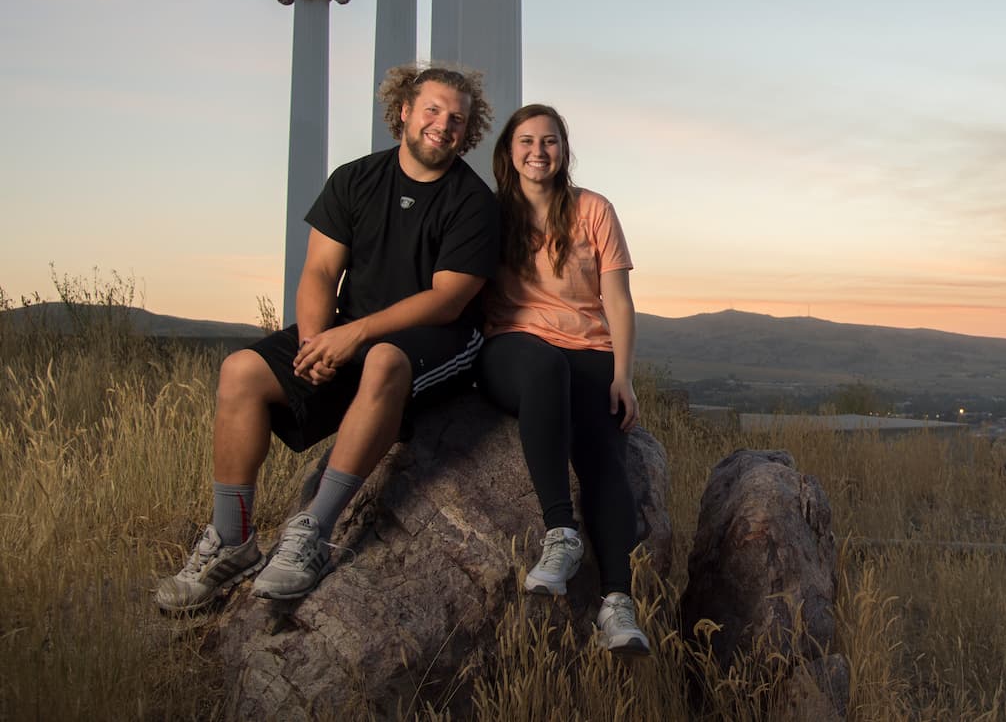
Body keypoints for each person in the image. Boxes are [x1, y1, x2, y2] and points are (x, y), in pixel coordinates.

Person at [155, 64, 500, 612]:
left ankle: (312, 531)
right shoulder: (354, 179)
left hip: (440, 339)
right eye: (432, 110)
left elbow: (447, 299)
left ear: (468, 130)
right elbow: (319, 272)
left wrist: (353, 336)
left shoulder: (474, 203)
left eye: (456, 118)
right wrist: (317, 341)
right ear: (404, 111)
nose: (442, 125)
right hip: (347, 327)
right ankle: (231, 539)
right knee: (240, 371)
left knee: (385, 357)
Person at [477, 104, 650, 657]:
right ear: (509, 151)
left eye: (550, 141)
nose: (538, 152)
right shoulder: (489, 213)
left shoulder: (593, 210)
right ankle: (562, 533)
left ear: (564, 151)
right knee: (545, 366)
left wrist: (623, 375)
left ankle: (618, 605)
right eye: (526, 141)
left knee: (606, 455)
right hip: (513, 346)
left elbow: (617, 300)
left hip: (589, 349)